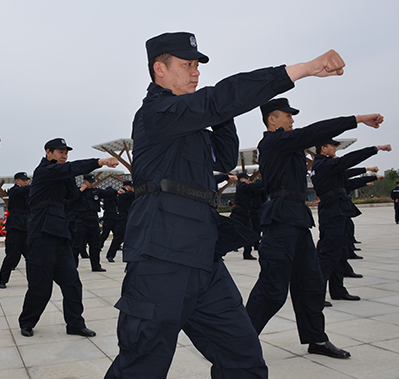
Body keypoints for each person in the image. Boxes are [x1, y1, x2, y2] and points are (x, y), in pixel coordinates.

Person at [105, 31, 348, 379]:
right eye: (187, 65)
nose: (196, 72)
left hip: (204, 258)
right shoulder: (156, 114)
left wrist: (222, 114)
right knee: (142, 363)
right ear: (160, 69)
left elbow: (223, 155)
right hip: (161, 259)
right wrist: (302, 69)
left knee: (243, 357)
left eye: (197, 66)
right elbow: (217, 100)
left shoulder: (190, 124)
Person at [246, 97, 384, 359]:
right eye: (288, 116)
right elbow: (313, 132)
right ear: (272, 119)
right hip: (280, 222)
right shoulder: (274, 142)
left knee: (310, 284)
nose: (292, 120)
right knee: (273, 288)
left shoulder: (289, 147)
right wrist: (356, 119)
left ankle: (316, 339)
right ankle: (237, 341)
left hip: (298, 220)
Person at [18, 138, 118, 338]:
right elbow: (70, 168)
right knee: (41, 287)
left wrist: (76, 183)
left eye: (66, 152)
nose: (64, 155)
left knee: (72, 283)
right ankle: (27, 322)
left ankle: (75, 323)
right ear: (48, 152)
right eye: (60, 152)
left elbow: (72, 196)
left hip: (61, 235)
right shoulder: (44, 171)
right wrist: (99, 162)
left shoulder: (63, 175)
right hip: (41, 235)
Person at [312, 139, 391, 304]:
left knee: (339, 252)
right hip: (332, 211)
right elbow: (349, 161)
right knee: (328, 254)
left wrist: (371, 176)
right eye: (332, 145)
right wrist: (375, 148)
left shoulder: (328, 166)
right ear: (323, 148)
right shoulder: (323, 165)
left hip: (336, 210)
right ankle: (314, 295)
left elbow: (348, 177)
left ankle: (338, 290)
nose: (335, 148)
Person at [72, 174, 116, 271]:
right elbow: (72, 199)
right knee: (77, 245)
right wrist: (81, 190)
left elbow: (110, 193)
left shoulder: (96, 191)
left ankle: (96, 266)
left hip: (93, 219)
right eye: (90, 182)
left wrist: (118, 191)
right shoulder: (78, 191)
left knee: (95, 244)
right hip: (81, 219)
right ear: (85, 182)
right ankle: (73, 266)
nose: (92, 184)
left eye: (93, 182)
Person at [0, 172, 31, 289]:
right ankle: (3, 280)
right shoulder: (14, 191)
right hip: (15, 227)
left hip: (26, 227)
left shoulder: (27, 192)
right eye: (23, 180)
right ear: (17, 181)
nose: (26, 182)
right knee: (12, 256)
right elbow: (24, 191)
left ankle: (32, 280)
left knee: (31, 256)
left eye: (26, 180)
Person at [230, 172, 262, 260]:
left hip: (246, 214)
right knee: (232, 232)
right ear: (242, 179)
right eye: (247, 179)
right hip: (238, 214)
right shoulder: (241, 186)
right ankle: (219, 252)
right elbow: (253, 186)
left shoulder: (247, 188)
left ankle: (247, 253)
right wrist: (259, 181)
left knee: (249, 233)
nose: (248, 181)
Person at [106, 180, 134, 262]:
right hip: (123, 217)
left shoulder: (126, 193)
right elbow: (132, 194)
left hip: (128, 216)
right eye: (130, 187)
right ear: (126, 186)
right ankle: (110, 255)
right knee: (119, 237)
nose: (131, 188)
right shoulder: (122, 193)